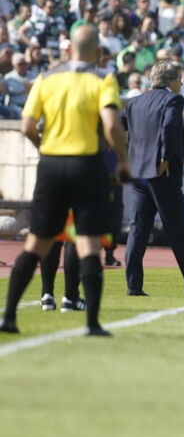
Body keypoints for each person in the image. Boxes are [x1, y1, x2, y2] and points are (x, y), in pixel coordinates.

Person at [1, 25, 129, 336]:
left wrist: (43, 148)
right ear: (99, 53)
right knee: (87, 242)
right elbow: (111, 126)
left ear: (69, 49)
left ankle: (9, 316)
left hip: (51, 164)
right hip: (86, 164)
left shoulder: (47, 78)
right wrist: (124, 160)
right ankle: (92, 323)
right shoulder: (103, 79)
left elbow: (28, 125)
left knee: (37, 242)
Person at [121, 59, 184, 297]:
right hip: (162, 173)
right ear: (172, 80)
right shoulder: (173, 100)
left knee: (138, 229)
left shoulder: (135, 102)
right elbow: (169, 127)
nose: (182, 82)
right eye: (179, 78)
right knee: (176, 230)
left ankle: (134, 285)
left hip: (138, 174)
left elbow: (117, 126)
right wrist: (165, 157)